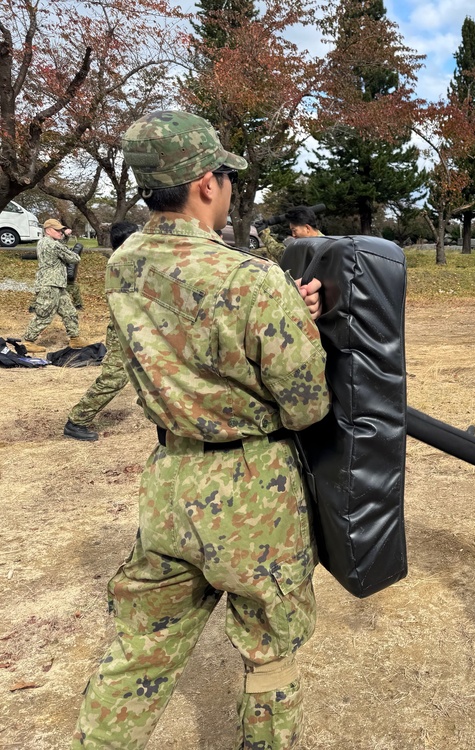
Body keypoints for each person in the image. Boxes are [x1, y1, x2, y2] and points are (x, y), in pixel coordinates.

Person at [73, 110, 331, 749]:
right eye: (225, 176)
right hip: (253, 489)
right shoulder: (252, 278)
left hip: (170, 479)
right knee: (270, 648)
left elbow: (181, 321)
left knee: (142, 648)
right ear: (205, 184)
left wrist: (278, 315)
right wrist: (293, 322)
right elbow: (306, 404)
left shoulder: (124, 262)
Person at [63, 222, 140, 442]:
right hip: (126, 331)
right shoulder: (122, 264)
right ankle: (77, 420)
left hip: (136, 329)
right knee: (114, 378)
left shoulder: (129, 261)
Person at [20, 218, 86, 353]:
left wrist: (64, 238)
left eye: (61, 230)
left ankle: (75, 338)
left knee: (69, 312)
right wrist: (70, 246)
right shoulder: (53, 245)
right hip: (50, 285)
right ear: (48, 230)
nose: (60, 233)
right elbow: (74, 258)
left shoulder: (43, 242)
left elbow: (61, 249)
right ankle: (28, 341)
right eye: (57, 230)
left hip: (56, 284)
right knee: (44, 314)